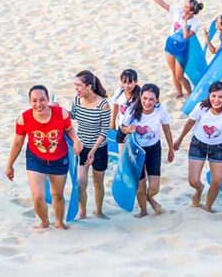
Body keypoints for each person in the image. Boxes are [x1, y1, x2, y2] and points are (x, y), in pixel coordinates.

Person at [6, 85, 82, 229]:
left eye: (42, 100)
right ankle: (44, 222)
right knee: (38, 197)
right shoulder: (24, 119)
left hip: (59, 158)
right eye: (34, 101)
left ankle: (59, 222)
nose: (38, 104)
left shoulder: (61, 114)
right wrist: (10, 164)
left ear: (47, 99)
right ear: (30, 101)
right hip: (36, 159)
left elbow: (69, 129)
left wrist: (76, 140)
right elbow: (17, 143)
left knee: (57, 195)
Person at [173, 81, 222, 212]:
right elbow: (190, 123)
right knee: (193, 181)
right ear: (209, 95)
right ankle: (199, 189)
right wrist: (179, 139)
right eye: (213, 96)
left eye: (220, 97)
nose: (216, 100)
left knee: (217, 182)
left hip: (218, 148)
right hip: (198, 145)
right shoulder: (201, 107)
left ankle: (208, 206)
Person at [119, 83, 174, 217]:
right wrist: (128, 129)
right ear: (140, 97)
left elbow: (167, 129)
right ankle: (143, 211)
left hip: (153, 149)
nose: (147, 102)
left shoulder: (160, 110)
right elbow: (122, 129)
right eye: (145, 98)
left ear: (157, 100)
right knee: (140, 188)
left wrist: (171, 149)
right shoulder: (132, 110)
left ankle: (150, 198)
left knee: (154, 188)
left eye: (151, 99)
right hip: (135, 151)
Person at [145, 0, 203, 99]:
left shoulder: (195, 23)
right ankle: (179, 92)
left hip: (182, 49)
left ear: (191, 11)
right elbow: (163, 4)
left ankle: (190, 94)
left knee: (179, 75)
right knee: (173, 72)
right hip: (171, 45)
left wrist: (185, 21)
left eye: (186, 7)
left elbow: (186, 36)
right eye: (184, 5)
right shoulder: (177, 11)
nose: (183, 8)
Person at [71, 70, 111, 219]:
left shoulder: (103, 105)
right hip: (81, 147)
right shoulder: (76, 100)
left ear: (88, 87)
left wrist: (93, 151)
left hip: (99, 148)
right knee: (81, 183)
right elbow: (72, 115)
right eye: (75, 85)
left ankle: (99, 211)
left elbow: (104, 131)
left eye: (79, 86)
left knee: (97, 181)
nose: (76, 89)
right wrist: (57, 109)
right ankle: (82, 213)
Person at [110, 69, 140, 144]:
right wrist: (113, 122)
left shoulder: (140, 96)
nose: (126, 86)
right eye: (124, 82)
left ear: (136, 82)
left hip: (135, 130)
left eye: (130, 82)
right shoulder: (119, 92)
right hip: (122, 126)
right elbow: (115, 106)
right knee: (121, 152)